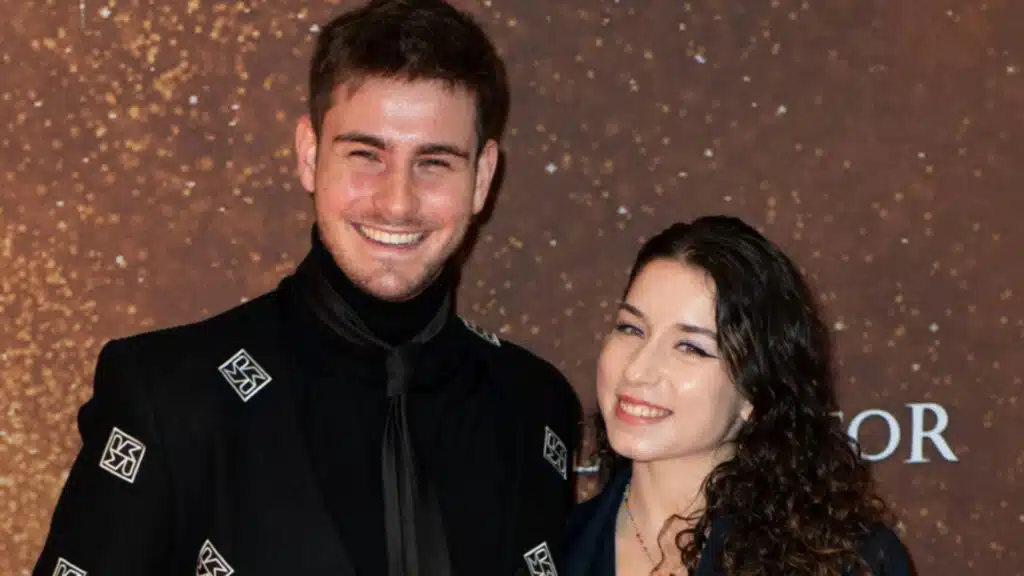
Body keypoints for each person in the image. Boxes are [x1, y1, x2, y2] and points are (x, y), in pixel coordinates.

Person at [33, 1, 581, 575]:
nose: (397, 202)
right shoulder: (169, 397)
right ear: (309, 153)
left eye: (434, 162)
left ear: (483, 178)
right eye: (366, 155)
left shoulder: (536, 407)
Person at [559, 216, 912, 575]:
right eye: (631, 328)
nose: (637, 370)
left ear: (753, 392)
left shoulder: (850, 561)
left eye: (690, 347)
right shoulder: (550, 551)